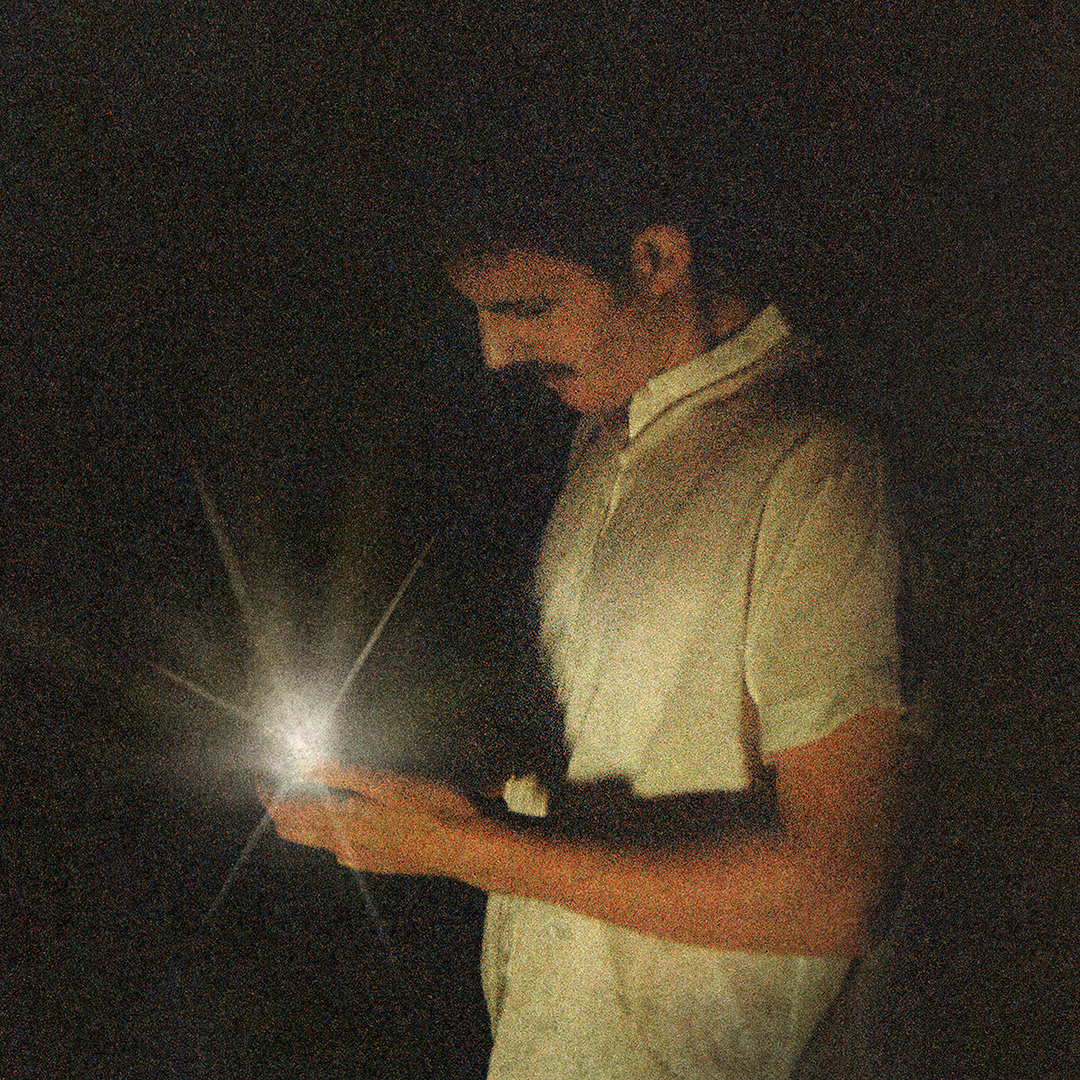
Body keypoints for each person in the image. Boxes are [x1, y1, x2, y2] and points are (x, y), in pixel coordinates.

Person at [261, 96, 915, 1078]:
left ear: (657, 257)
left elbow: (837, 890)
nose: (494, 352)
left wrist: (465, 847)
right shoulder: (606, 437)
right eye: (479, 313)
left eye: (526, 307)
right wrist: (447, 784)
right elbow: (633, 756)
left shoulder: (817, 466)